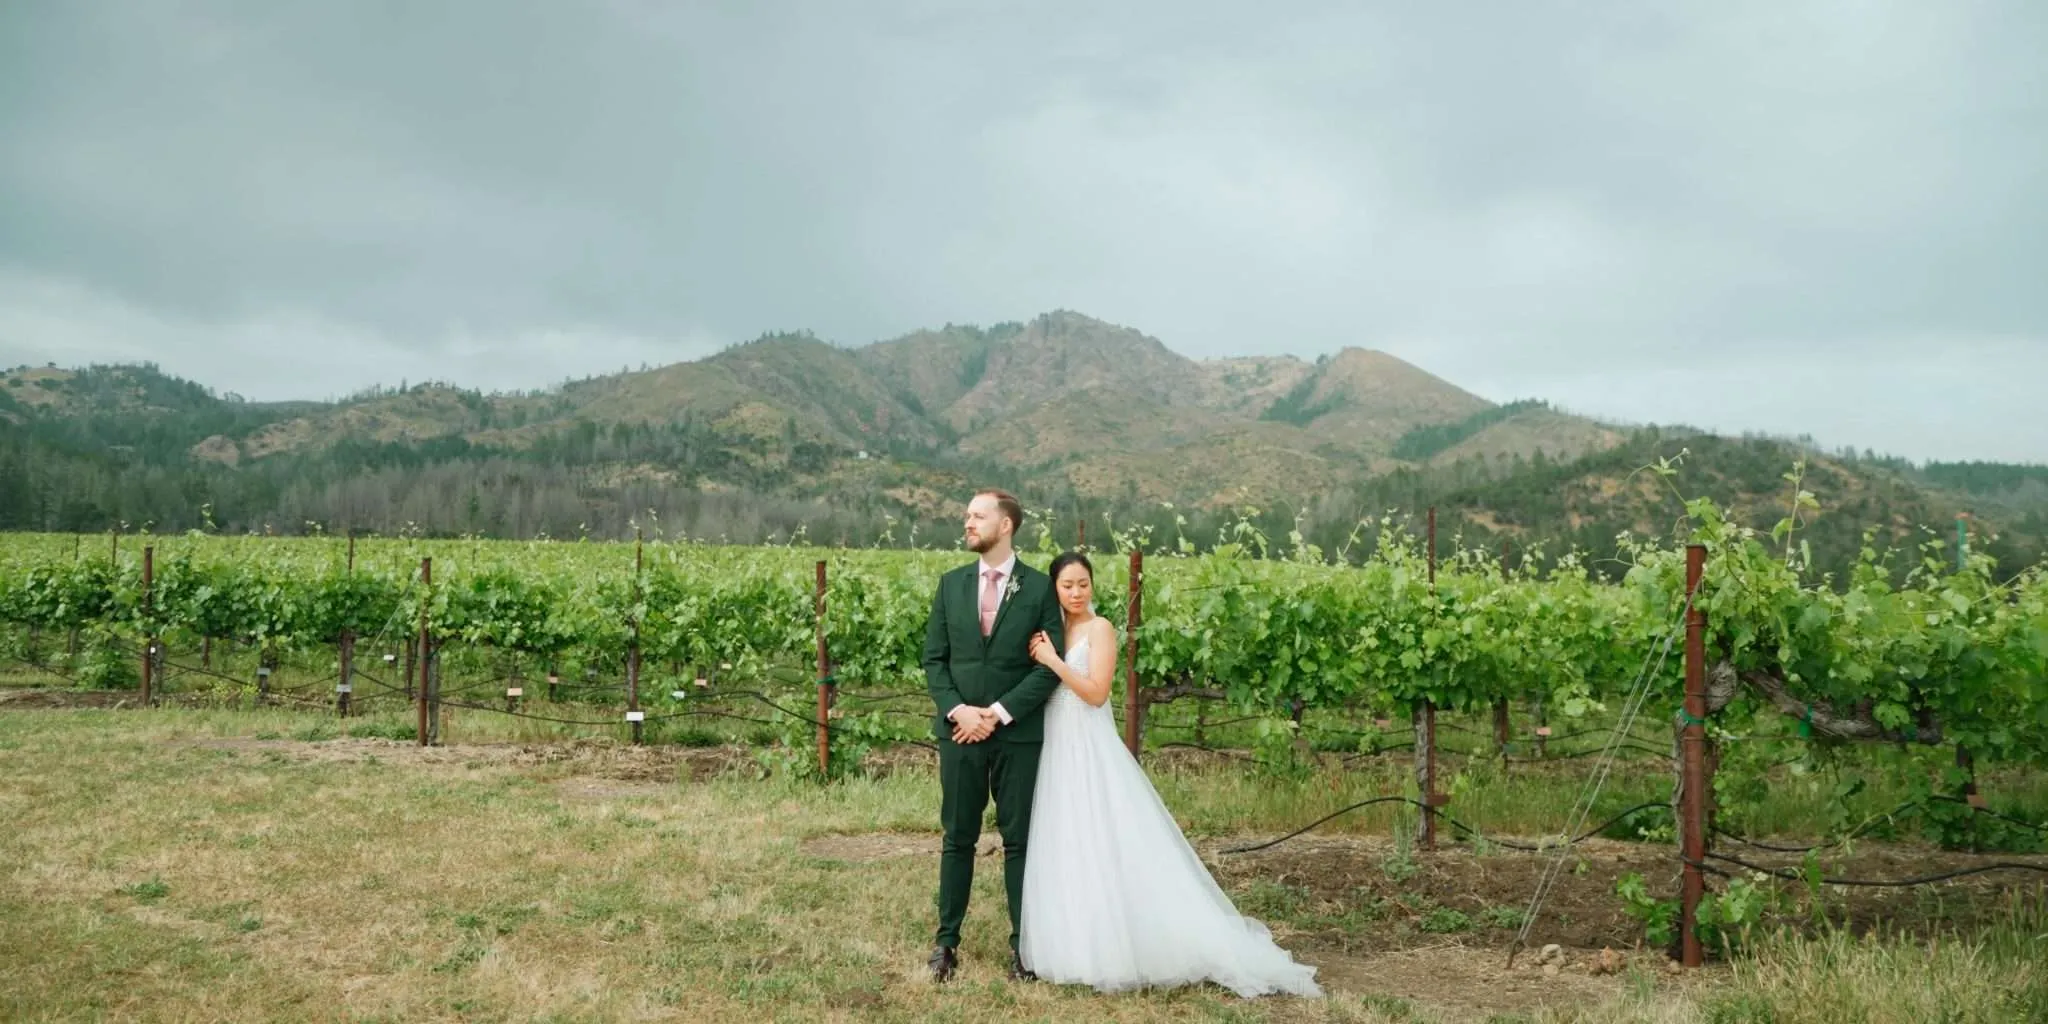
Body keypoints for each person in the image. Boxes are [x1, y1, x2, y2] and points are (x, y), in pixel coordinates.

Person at [1016, 551, 1323, 998]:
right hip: (1056, 747)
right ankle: (1071, 943)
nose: (1077, 592)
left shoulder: (1099, 630)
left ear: (1093, 586)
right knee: (1067, 841)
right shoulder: (1052, 631)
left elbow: (1097, 694)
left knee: (1103, 840)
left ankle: (1117, 946)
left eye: (1084, 583)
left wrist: (1053, 661)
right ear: (1054, 589)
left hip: (1088, 746)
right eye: (1068, 585)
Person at [923, 489, 1066, 983]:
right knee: (957, 837)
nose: (968, 523)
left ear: (1005, 525)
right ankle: (946, 944)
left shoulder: (1040, 588)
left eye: (977, 516)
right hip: (959, 734)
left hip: (1016, 736)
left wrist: (999, 713)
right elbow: (934, 660)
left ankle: (1023, 947)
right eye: (967, 515)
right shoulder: (950, 585)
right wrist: (959, 711)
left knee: (1019, 841)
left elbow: (1049, 667)